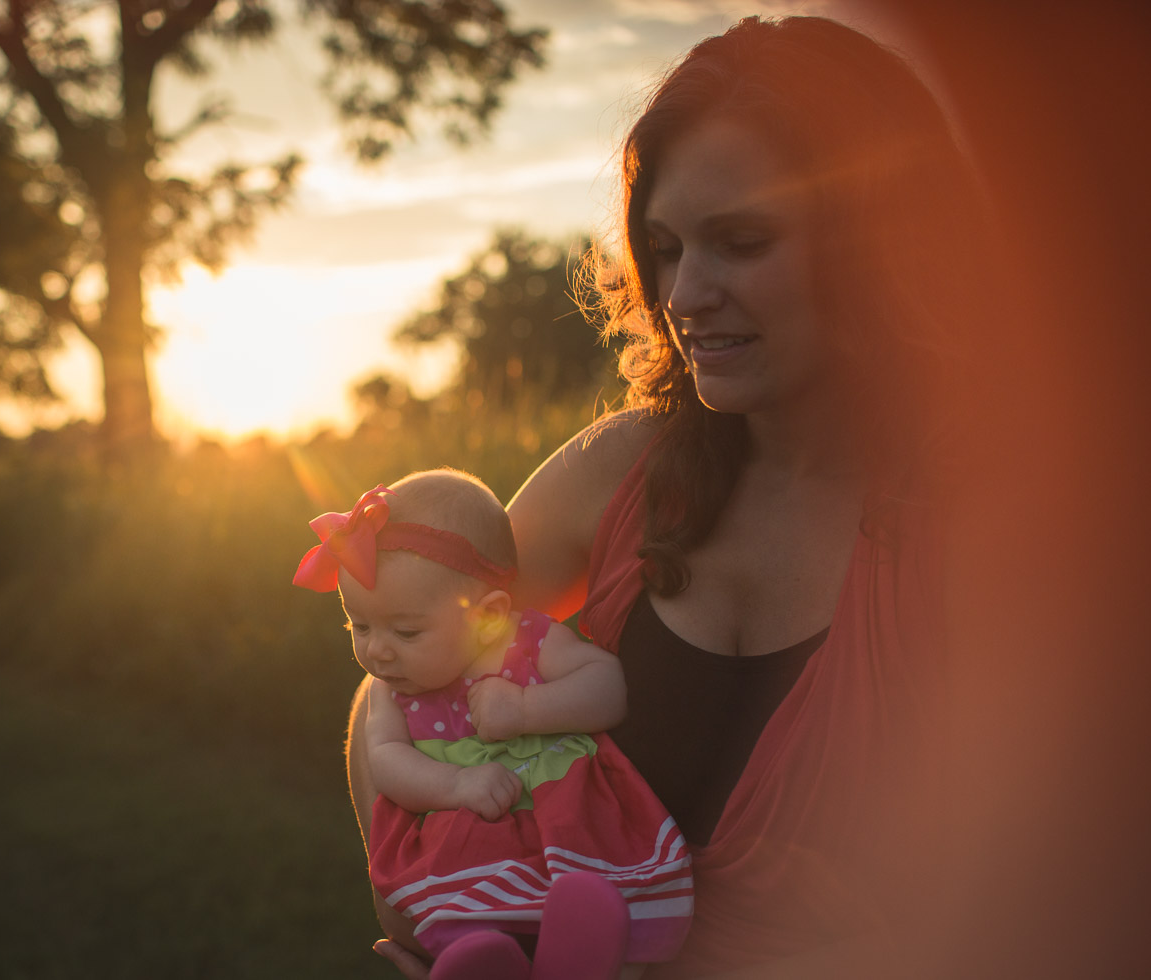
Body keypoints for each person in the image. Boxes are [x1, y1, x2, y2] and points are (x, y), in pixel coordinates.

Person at [349, 14, 996, 978]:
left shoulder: (994, 527)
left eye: (740, 241)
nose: (685, 291)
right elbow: (401, 660)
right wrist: (433, 906)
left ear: (878, 244)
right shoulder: (624, 472)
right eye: (664, 246)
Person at [297, 470, 693, 979]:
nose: (376, 649)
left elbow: (609, 688)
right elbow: (388, 760)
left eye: (406, 630)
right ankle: (484, 959)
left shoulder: (526, 643)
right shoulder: (390, 691)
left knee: (601, 896)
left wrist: (528, 709)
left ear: (487, 615)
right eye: (360, 624)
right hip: (469, 839)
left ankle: (585, 957)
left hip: (567, 820)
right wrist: (456, 784)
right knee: (467, 911)